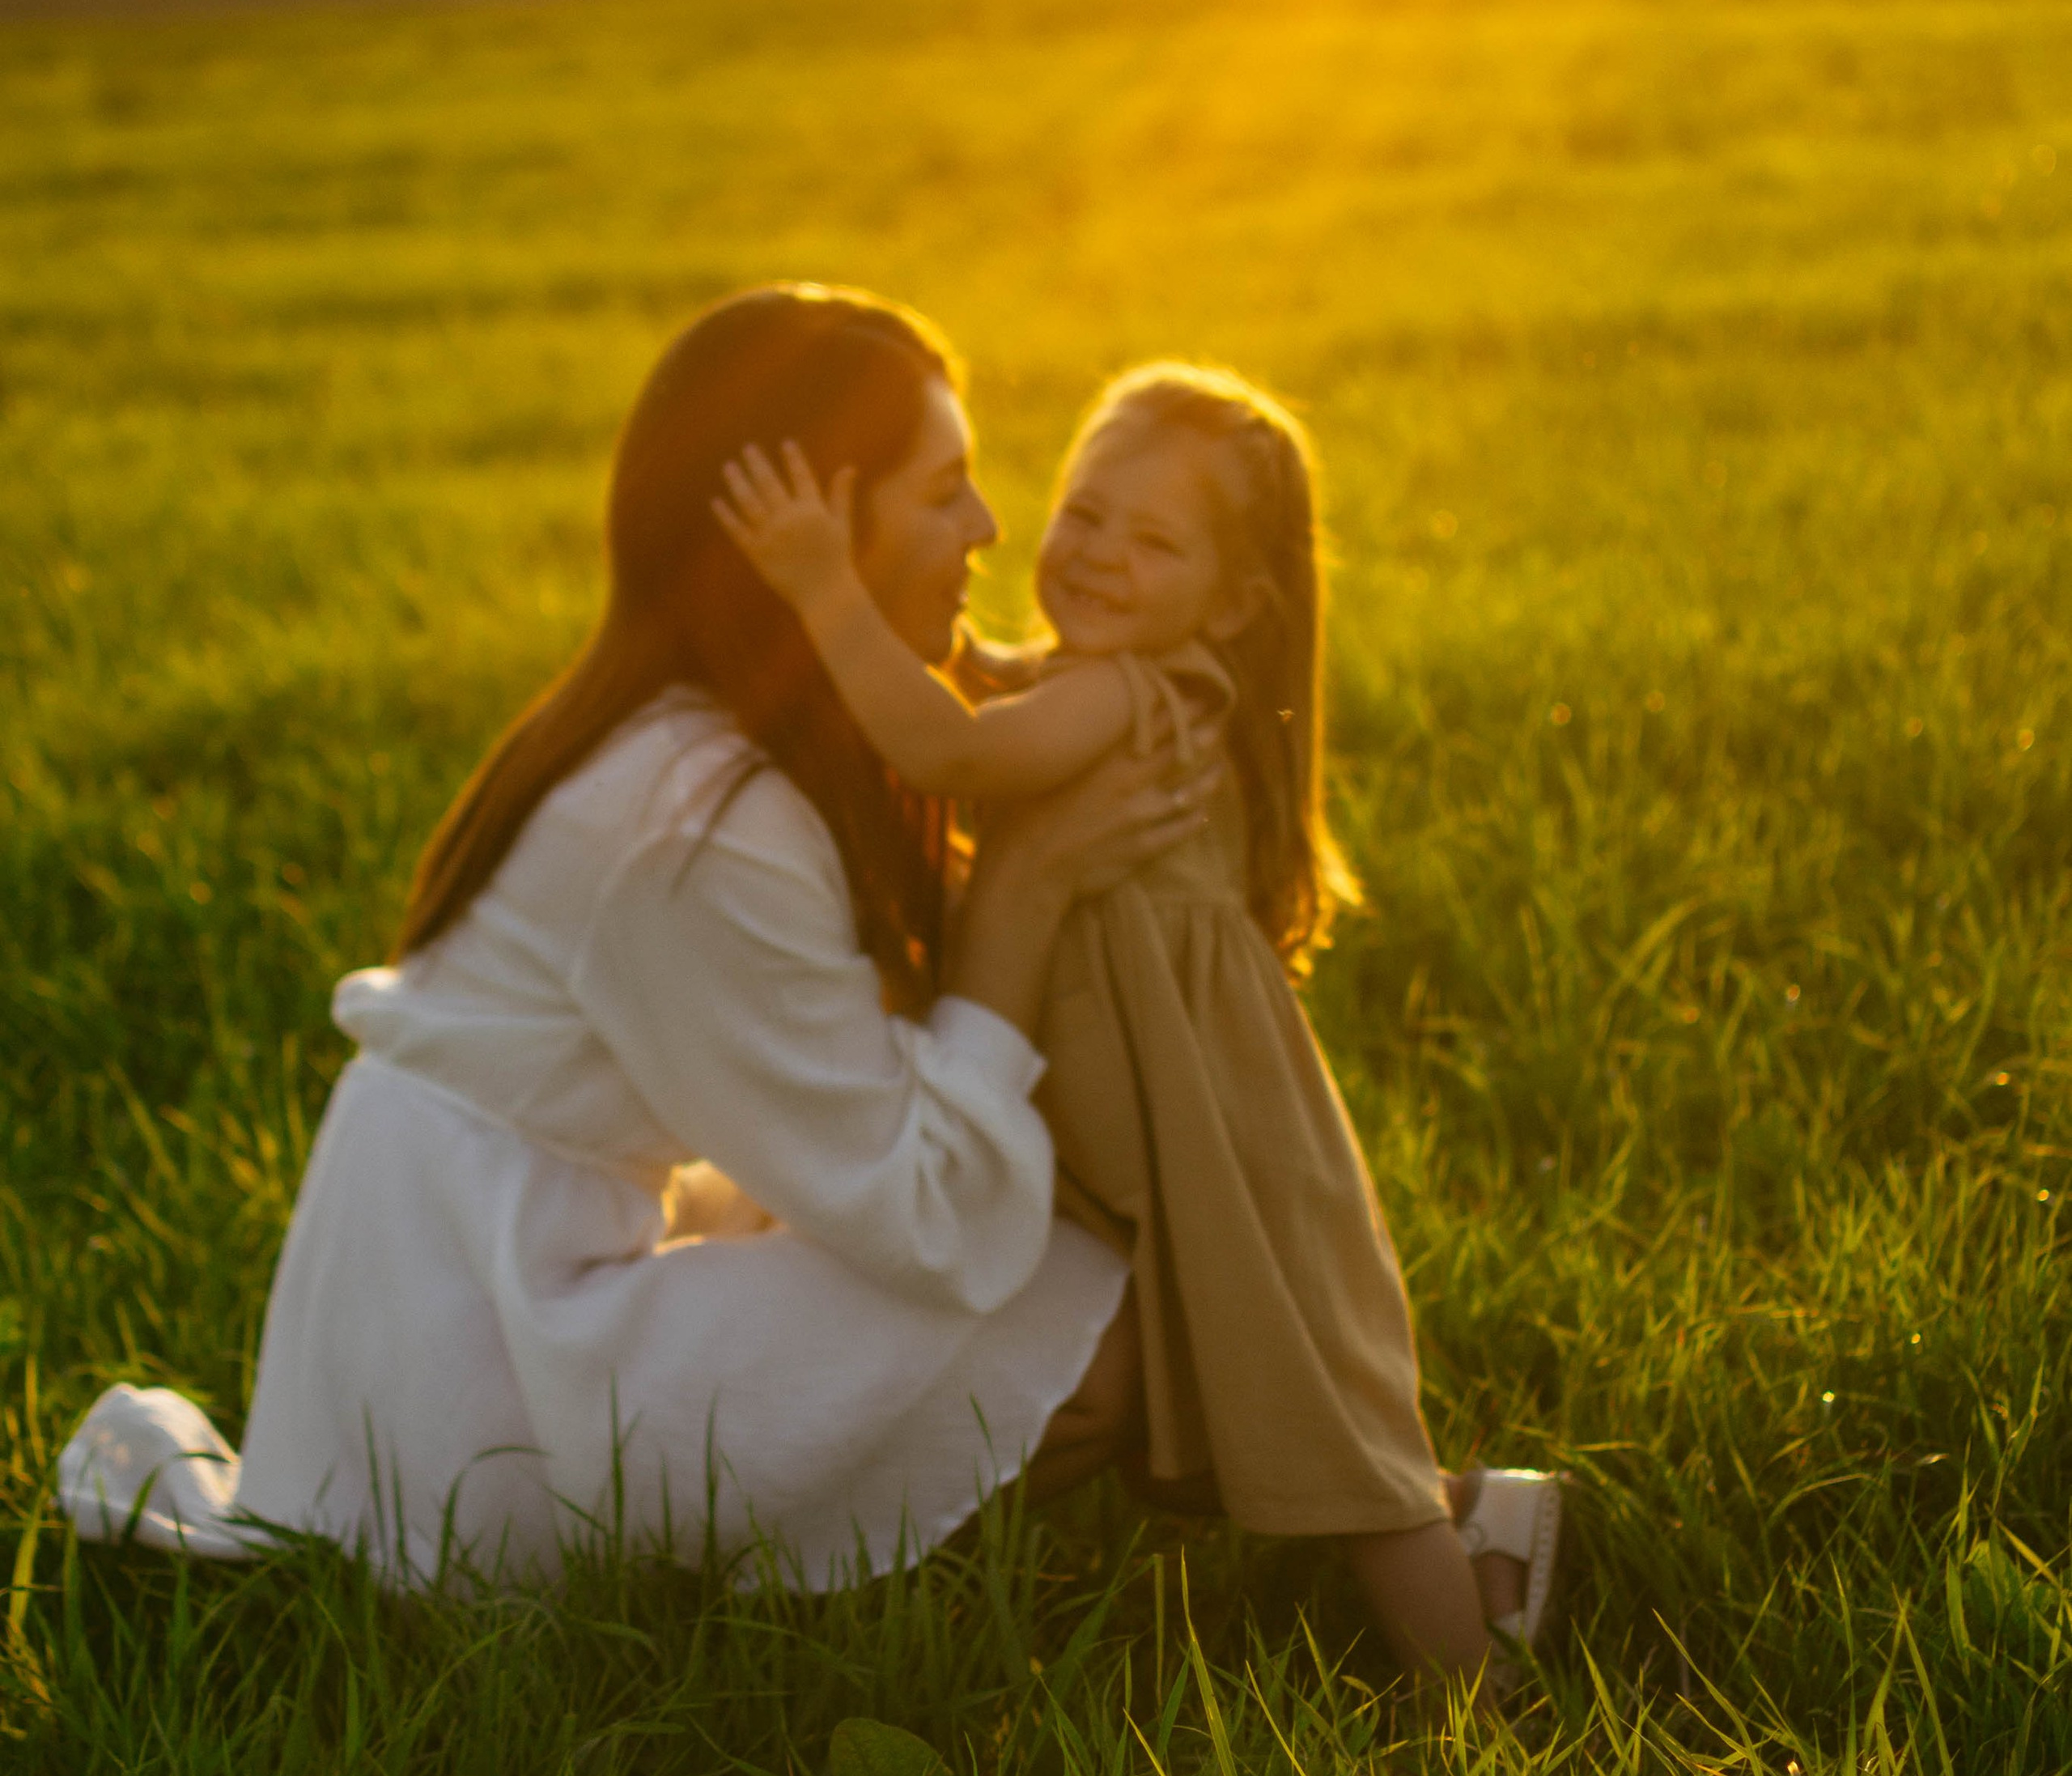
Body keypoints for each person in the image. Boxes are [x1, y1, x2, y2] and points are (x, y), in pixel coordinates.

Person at [59, 287, 1205, 1589]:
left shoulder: (707, 740)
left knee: (1023, 1283)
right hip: (484, 1378)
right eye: (945, 490)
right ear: (815, 524)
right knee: (1075, 1325)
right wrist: (1028, 889)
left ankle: (880, 1543)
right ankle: (837, 1595)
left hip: (471, 1282)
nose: (989, 527)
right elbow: (935, 1221)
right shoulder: (692, 815)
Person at [715, 361, 1561, 1680]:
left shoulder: (1132, 696)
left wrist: (826, 587)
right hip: (1144, 1136)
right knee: (1238, 1394)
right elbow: (977, 684)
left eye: (1154, 541)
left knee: (1325, 1419)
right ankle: (1480, 1531)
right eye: (1085, 513)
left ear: (1231, 605)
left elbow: (952, 752)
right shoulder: (1089, 672)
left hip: (1213, 1140)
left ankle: (1478, 1702)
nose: (1099, 555)